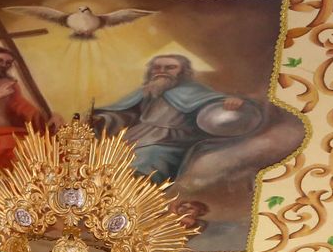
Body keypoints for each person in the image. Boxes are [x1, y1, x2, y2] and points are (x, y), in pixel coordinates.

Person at [92, 54, 261, 183]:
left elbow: (216, 108)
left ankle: (131, 196)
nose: (162, 72)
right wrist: (104, 119)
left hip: (170, 142)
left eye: (170, 67)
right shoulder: (148, 90)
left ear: (183, 72)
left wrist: (234, 104)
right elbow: (126, 114)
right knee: (102, 161)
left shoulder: (195, 91)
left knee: (149, 159)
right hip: (135, 137)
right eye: (157, 68)